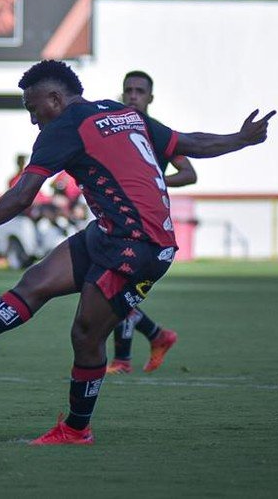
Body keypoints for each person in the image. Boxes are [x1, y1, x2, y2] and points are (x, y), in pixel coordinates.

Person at [0, 60, 274, 444]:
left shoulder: (63, 128)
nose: (34, 120)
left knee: (85, 335)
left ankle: (75, 430)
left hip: (139, 246)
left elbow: (23, 196)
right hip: (110, 233)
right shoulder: (120, 111)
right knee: (35, 282)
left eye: (33, 108)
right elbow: (188, 143)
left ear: (54, 99)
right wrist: (239, 139)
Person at [105, 70, 198, 375]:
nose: (133, 95)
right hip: (118, 222)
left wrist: (155, 181)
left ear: (150, 98)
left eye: (139, 91)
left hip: (147, 227)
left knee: (115, 289)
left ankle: (123, 360)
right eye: (128, 90)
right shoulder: (110, 130)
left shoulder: (157, 133)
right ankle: (157, 336)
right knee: (112, 290)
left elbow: (189, 173)